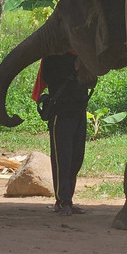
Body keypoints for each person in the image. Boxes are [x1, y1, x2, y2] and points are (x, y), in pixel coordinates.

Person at [32, 52, 95, 215]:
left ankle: (68, 199)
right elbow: (48, 76)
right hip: (61, 114)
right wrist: (72, 67)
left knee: (76, 158)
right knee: (62, 159)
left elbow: (92, 81)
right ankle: (62, 201)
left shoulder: (83, 54)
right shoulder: (53, 55)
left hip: (79, 111)